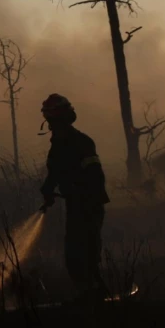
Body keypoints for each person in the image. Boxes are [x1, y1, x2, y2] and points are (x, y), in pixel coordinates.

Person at [38, 93, 111, 304]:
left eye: (53, 120)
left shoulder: (81, 142)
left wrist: (82, 194)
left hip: (89, 204)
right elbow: (55, 172)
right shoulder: (59, 145)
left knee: (85, 251)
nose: (52, 125)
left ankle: (95, 294)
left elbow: (95, 175)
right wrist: (48, 190)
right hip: (76, 204)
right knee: (75, 252)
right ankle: (90, 293)